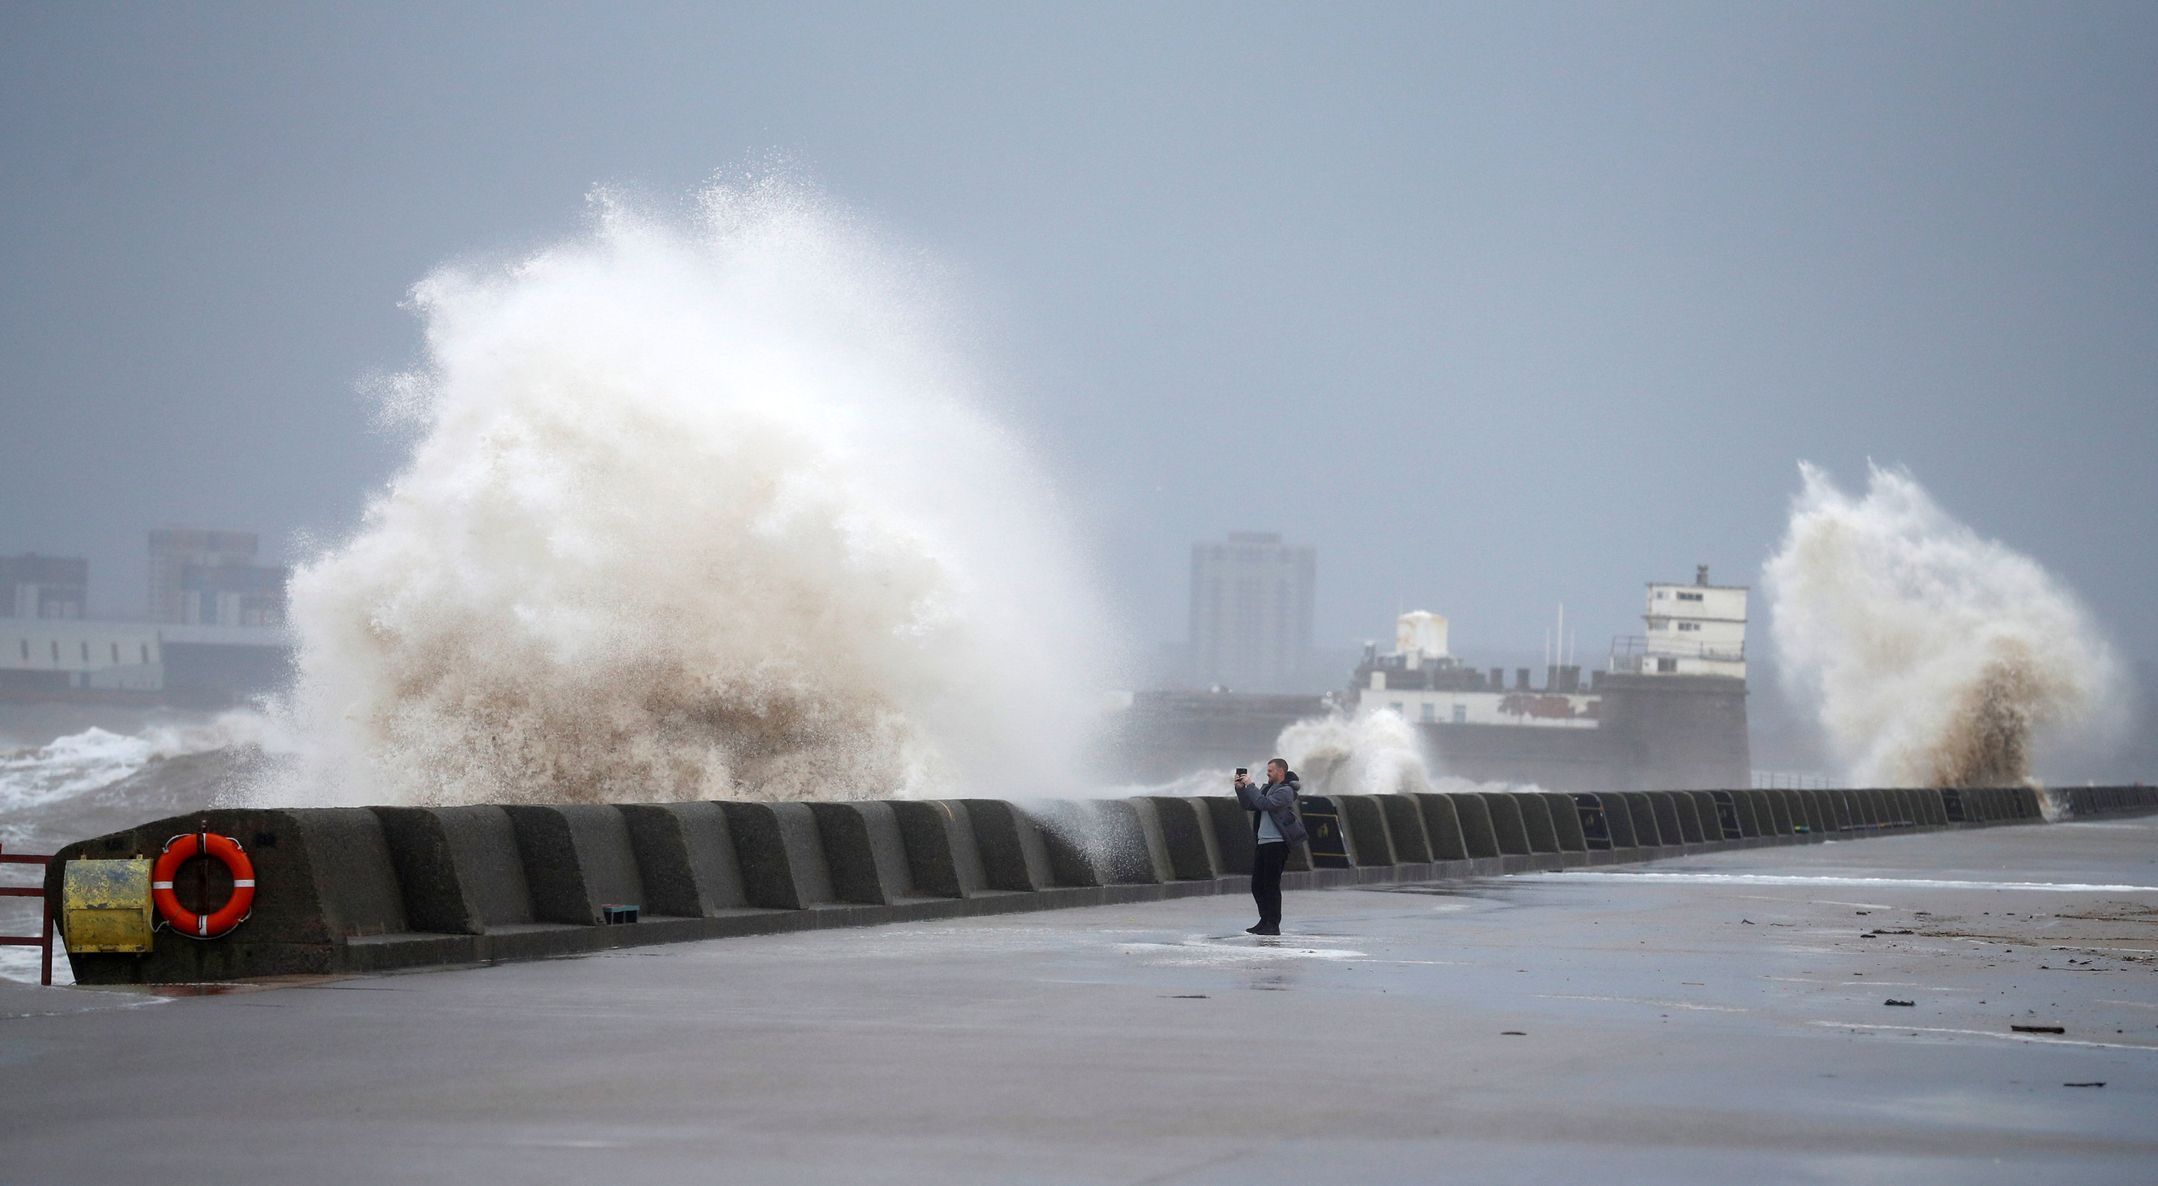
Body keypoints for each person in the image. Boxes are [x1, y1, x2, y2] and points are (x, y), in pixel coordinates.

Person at [1233, 758, 1305, 936]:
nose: (1268, 773)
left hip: (1277, 843)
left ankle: (1273, 924)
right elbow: (1250, 804)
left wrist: (1250, 785)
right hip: (1263, 841)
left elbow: (1265, 804)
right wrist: (1241, 789)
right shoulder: (1267, 788)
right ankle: (1264, 920)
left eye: (1270, 771)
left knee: (1271, 885)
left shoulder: (1286, 791)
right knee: (1257, 885)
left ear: (1281, 772)